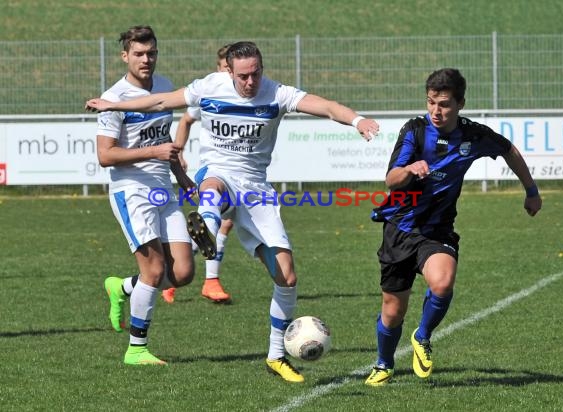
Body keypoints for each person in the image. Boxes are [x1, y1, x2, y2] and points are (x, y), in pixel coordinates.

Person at [86, 40, 380, 383]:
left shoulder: (275, 94)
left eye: (255, 74)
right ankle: (206, 229)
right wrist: (113, 104)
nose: (250, 82)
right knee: (212, 188)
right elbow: (162, 100)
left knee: (287, 277)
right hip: (217, 173)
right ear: (230, 71)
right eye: (243, 76)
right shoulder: (211, 87)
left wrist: (357, 120)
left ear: (262, 69)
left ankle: (276, 356)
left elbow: (326, 106)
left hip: (256, 190)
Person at [364, 68, 542, 386]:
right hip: (400, 229)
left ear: (460, 103)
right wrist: (408, 169)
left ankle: (422, 336)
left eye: (444, 104)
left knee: (443, 284)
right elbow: (390, 180)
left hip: (437, 232)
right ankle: (384, 363)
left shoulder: (473, 135)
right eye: (431, 102)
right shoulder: (415, 131)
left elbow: (509, 151)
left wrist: (531, 191)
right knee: (393, 310)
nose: (436, 110)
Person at [96, 26, 205, 366]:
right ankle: (136, 350)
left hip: (164, 189)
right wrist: (153, 152)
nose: (146, 59)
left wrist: (182, 176)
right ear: (125, 56)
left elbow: (164, 141)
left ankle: (124, 287)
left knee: (184, 272)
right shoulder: (114, 98)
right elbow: (105, 156)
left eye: (151, 53)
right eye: (139, 54)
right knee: (155, 269)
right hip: (131, 191)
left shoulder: (163, 86)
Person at [162, 44, 234, 305]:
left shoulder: (247, 92)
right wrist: (178, 151)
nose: (230, 73)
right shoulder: (211, 92)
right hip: (214, 169)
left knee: (224, 222)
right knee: (218, 219)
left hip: (238, 171)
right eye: (226, 68)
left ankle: (190, 279)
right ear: (219, 69)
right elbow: (185, 120)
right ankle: (190, 279)